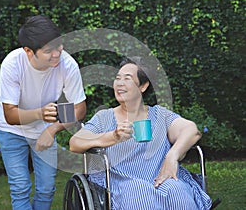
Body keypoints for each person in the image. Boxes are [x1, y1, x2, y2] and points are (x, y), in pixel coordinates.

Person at [69, 56, 212, 210]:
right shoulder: (104, 117)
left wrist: (172, 156)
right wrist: (112, 136)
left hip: (160, 177)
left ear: (143, 86)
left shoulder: (159, 115)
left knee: (177, 191)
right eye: (118, 78)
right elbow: (75, 142)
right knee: (140, 193)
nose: (120, 83)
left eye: (127, 78)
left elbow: (192, 130)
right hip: (122, 183)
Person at [0, 15, 86, 210]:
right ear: (29, 51)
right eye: (48, 51)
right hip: (11, 131)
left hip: (45, 129)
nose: (56, 54)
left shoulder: (67, 65)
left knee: (46, 189)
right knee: (20, 188)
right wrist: (39, 114)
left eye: (58, 46)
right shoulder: (12, 64)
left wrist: (52, 129)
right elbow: (10, 115)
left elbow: (79, 108)